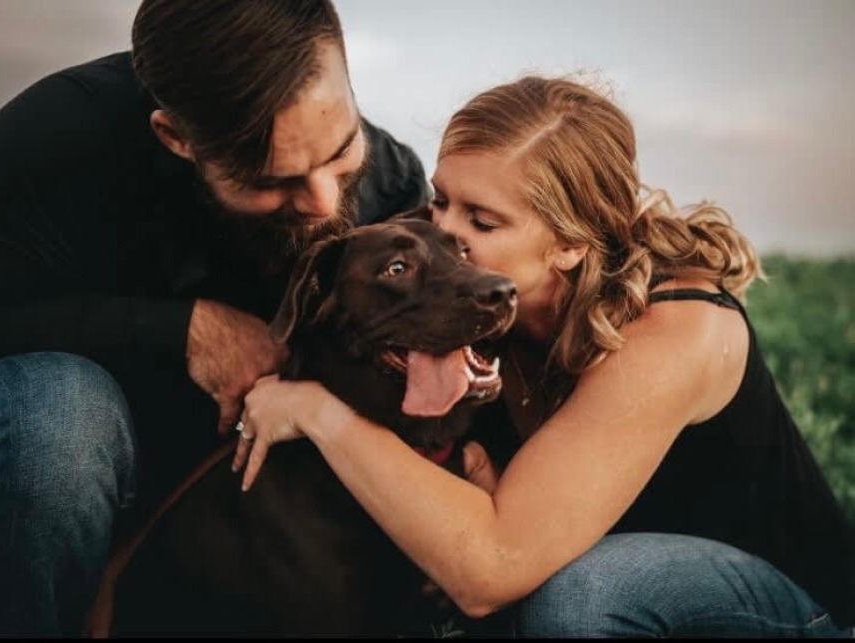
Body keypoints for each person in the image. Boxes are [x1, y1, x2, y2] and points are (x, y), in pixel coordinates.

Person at [235, 75, 855, 637]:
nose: (445, 233)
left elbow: (489, 570)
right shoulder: (481, 287)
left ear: (567, 244)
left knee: (581, 595)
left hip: (789, 610)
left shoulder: (677, 329)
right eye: (442, 198)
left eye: (482, 219)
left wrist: (318, 413)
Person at [0, 0, 429, 636]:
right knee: (59, 415)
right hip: (5, 470)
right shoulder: (51, 141)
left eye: (342, 149)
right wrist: (178, 330)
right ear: (175, 136)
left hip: (218, 520)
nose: (325, 200)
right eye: (272, 180)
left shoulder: (392, 190)